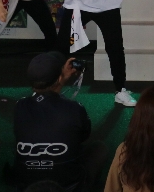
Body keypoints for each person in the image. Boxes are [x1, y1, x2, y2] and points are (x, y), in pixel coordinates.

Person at [13, 52, 107, 192]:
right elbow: (83, 136)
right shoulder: (75, 108)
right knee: (99, 148)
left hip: (29, 186)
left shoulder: (19, 107)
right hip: (68, 186)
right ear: (59, 77)